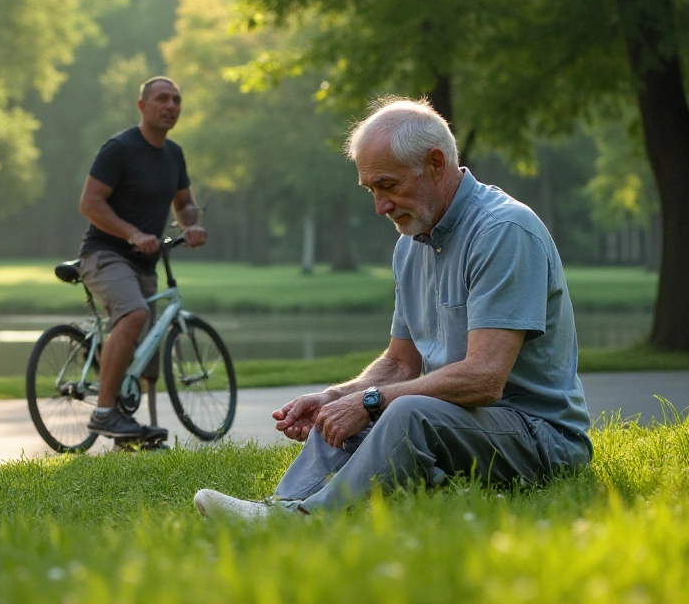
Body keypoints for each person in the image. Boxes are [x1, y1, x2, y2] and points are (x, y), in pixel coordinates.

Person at [194, 97, 592, 518]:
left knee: (401, 410)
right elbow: (401, 364)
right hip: (465, 423)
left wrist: (368, 401)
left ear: (436, 164)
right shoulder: (411, 243)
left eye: (389, 185)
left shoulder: (503, 231)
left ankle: (308, 521)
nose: (380, 206)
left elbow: (485, 378)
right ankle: (278, 508)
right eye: (371, 190)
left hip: (540, 436)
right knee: (363, 406)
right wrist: (335, 397)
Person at [77, 76, 207, 442]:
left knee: (148, 349)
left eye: (177, 100)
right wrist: (131, 233)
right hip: (105, 254)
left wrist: (192, 225)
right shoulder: (120, 149)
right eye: (162, 99)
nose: (170, 106)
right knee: (134, 314)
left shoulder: (173, 154)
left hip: (146, 262)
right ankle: (104, 413)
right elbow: (89, 203)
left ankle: (139, 432)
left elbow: (184, 204)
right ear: (142, 106)